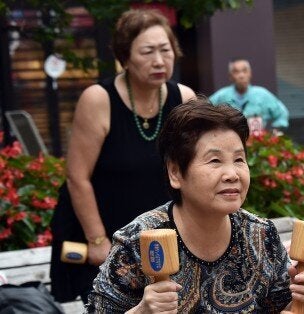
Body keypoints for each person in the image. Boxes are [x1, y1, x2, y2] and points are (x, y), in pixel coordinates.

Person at [87, 98, 304, 312]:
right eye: (215, 160)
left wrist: (301, 300)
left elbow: (282, 309)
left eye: (239, 159)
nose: (232, 174)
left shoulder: (261, 236)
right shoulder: (138, 241)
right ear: (176, 172)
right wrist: (142, 312)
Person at [49, 9, 195, 303]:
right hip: (101, 236)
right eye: (147, 52)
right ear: (125, 57)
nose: (159, 60)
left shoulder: (185, 99)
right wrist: (98, 240)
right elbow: (77, 177)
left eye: (165, 50)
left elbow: (192, 171)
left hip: (158, 239)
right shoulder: (98, 99)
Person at [209, 58, 289, 134]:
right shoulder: (222, 96)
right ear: (230, 76)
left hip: (256, 143)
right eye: (236, 72)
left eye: (244, 71)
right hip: (231, 143)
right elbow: (205, 109)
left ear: (250, 73)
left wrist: (275, 131)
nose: (241, 75)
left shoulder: (262, 94)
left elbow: (282, 113)